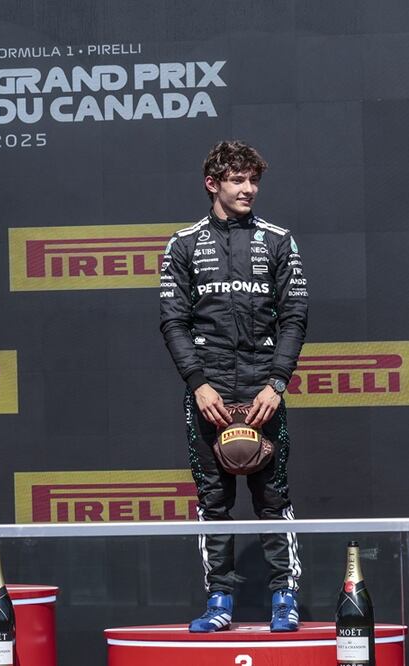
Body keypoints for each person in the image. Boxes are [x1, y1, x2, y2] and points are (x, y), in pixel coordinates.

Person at [160, 140, 308, 633]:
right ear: (213, 184)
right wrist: (198, 383)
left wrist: (277, 383)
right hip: (211, 393)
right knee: (212, 499)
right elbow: (173, 321)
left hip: (264, 390)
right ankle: (220, 600)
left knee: (274, 495)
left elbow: (295, 317)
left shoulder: (278, 240)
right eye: (238, 180)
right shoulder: (182, 244)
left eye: (253, 180)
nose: (248, 189)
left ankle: (284, 598)